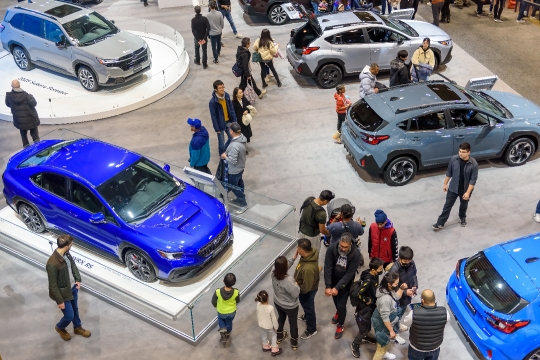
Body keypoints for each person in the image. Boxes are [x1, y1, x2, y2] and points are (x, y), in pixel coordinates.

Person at [46, 235, 91, 341]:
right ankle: (60, 327)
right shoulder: (52, 263)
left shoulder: (66, 253)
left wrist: (78, 279)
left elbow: (73, 265)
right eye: (71, 244)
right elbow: (53, 285)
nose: (72, 246)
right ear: (66, 246)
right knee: (69, 316)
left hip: (72, 288)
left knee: (75, 310)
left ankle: (77, 327)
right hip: (63, 294)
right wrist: (60, 301)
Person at [324, 233, 362, 339]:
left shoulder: (356, 254)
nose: (343, 249)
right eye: (341, 246)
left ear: (350, 245)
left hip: (346, 283)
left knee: (341, 305)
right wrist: (328, 285)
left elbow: (350, 273)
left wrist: (338, 287)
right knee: (336, 301)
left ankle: (341, 324)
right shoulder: (332, 248)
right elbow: (328, 266)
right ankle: (339, 312)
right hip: (333, 281)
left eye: (345, 247)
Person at [433, 142, 478, 230]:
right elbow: (449, 172)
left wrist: (468, 193)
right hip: (453, 188)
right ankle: (440, 223)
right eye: (460, 151)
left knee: (463, 205)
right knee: (447, 206)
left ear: (468, 152)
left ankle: (462, 217)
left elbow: (473, 180)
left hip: (465, 190)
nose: (461, 153)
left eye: (464, 152)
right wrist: (445, 184)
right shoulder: (454, 159)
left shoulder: (473, 164)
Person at [351, 257, 385, 358]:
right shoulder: (369, 280)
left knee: (368, 324)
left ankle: (365, 336)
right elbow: (356, 294)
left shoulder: (373, 274)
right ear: (373, 270)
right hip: (365, 308)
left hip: (373, 304)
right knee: (364, 328)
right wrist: (367, 300)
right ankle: (355, 343)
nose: (381, 271)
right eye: (380, 269)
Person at [402, 290, 449, 360]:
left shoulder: (413, 313)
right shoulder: (445, 313)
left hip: (417, 348)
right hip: (435, 347)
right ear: (434, 297)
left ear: (423, 301)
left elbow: (406, 322)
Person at [371, 272, 408, 360]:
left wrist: (401, 289)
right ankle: (382, 353)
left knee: (382, 342)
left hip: (382, 319)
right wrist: (391, 331)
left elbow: (395, 296)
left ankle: (384, 352)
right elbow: (385, 318)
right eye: (396, 284)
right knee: (382, 345)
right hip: (383, 323)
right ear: (389, 284)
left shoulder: (384, 288)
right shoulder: (385, 300)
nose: (397, 285)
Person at [293, 238, 320, 340]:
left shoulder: (308, 268)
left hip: (307, 292)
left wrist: (297, 290)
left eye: (298, 248)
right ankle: (306, 316)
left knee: (309, 308)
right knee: (307, 307)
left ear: (301, 251)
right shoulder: (310, 254)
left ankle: (312, 329)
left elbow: (306, 288)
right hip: (306, 285)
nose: (297, 249)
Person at [272, 256, 301, 351]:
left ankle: (279, 337)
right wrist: (296, 285)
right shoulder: (289, 280)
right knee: (293, 324)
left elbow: (282, 268)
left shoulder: (273, 274)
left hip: (278, 302)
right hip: (290, 307)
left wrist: (293, 258)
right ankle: (294, 343)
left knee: (281, 318)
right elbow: (296, 293)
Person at [221, 122, 248, 214]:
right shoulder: (242, 138)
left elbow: (232, 161)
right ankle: (239, 199)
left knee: (233, 186)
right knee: (239, 182)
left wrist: (225, 156)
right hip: (241, 167)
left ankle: (243, 204)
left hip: (234, 170)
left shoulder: (234, 145)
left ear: (231, 131)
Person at [5, 79, 40, 148]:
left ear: (12, 86)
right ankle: (38, 149)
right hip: (30, 119)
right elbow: (34, 103)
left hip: (19, 121)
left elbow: (8, 104)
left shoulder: (9, 96)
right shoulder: (27, 95)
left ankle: (26, 150)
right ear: (19, 85)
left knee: (23, 135)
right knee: (35, 135)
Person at [388, 246, 418, 321]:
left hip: (407, 295)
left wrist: (414, 285)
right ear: (399, 258)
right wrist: (405, 292)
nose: (407, 263)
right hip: (398, 298)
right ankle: (395, 327)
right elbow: (391, 287)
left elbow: (414, 274)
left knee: (402, 310)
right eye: (405, 262)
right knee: (397, 314)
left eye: (409, 261)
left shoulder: (411, 263)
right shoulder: (394, 270)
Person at [209, 80, 237, 155]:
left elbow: (231, 108)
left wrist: (234, 121)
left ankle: (224, 150)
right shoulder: (213, 102)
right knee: (221, 141)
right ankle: (222, 155)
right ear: (215, 89)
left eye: (223, 87)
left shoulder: (226, 96)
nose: (222, 89)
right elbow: (213, 116)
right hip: (220, 124)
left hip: (228, 121)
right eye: (220, 88)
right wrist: (216, 128)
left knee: (231, 138)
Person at [211, 273, 240, 343]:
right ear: (234, 283)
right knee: (229, 323)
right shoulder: (236, 292)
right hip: (231, 312)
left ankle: (223, 331)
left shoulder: (217, 291)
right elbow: (238, 300)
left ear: (223, 280)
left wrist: (216, 306)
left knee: (221, 322)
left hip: (221, 312)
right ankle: (228, 333)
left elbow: (213, 302)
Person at [256, 290, 282, 356]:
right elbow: (274, 319)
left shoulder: (258, 305)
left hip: (261, 324)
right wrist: (276, 327)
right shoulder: (270, 308)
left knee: (264, 333)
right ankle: (274, 349)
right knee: (274, 335)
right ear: (268, 298)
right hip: (269, 326)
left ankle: (265, 345)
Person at [232, 87, 253, 154]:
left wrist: (247, 111)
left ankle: (243, 148)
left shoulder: (244, 100)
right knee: (241, 136)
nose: (242, 94)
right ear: (236, 94)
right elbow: (233, 113)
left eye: (242, 92)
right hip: (239, 122)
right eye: (240, 93)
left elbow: (249, 106)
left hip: (245, 121)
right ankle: (242, 149)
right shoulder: (233, 103)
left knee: (246, 135)